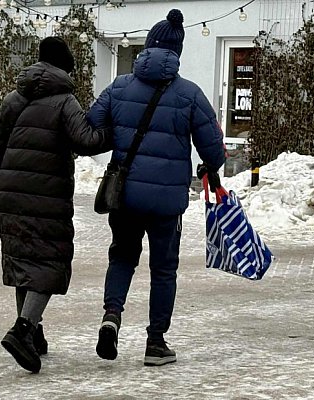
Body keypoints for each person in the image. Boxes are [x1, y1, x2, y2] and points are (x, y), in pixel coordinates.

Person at [86, 9, 226, 367]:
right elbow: (213, 149)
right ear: (176, 54)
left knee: (122, 257)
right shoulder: (189, 94)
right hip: (166, 203)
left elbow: (92, 126)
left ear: (147, 48)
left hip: (126, 194)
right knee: (164, 270)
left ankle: (111, 316)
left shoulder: (118, 86)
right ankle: (155, 343)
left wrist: (121, 135)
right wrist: (210, 164)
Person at [0, 37, 111, 374]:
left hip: (9, 192)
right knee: (48, 261)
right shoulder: (64, 101)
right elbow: (86, 141)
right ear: (64, 68)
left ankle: (33, 330)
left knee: (24, 259)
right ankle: (22, 331)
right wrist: (114, 130)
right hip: (45, 193)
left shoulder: (13, 98)